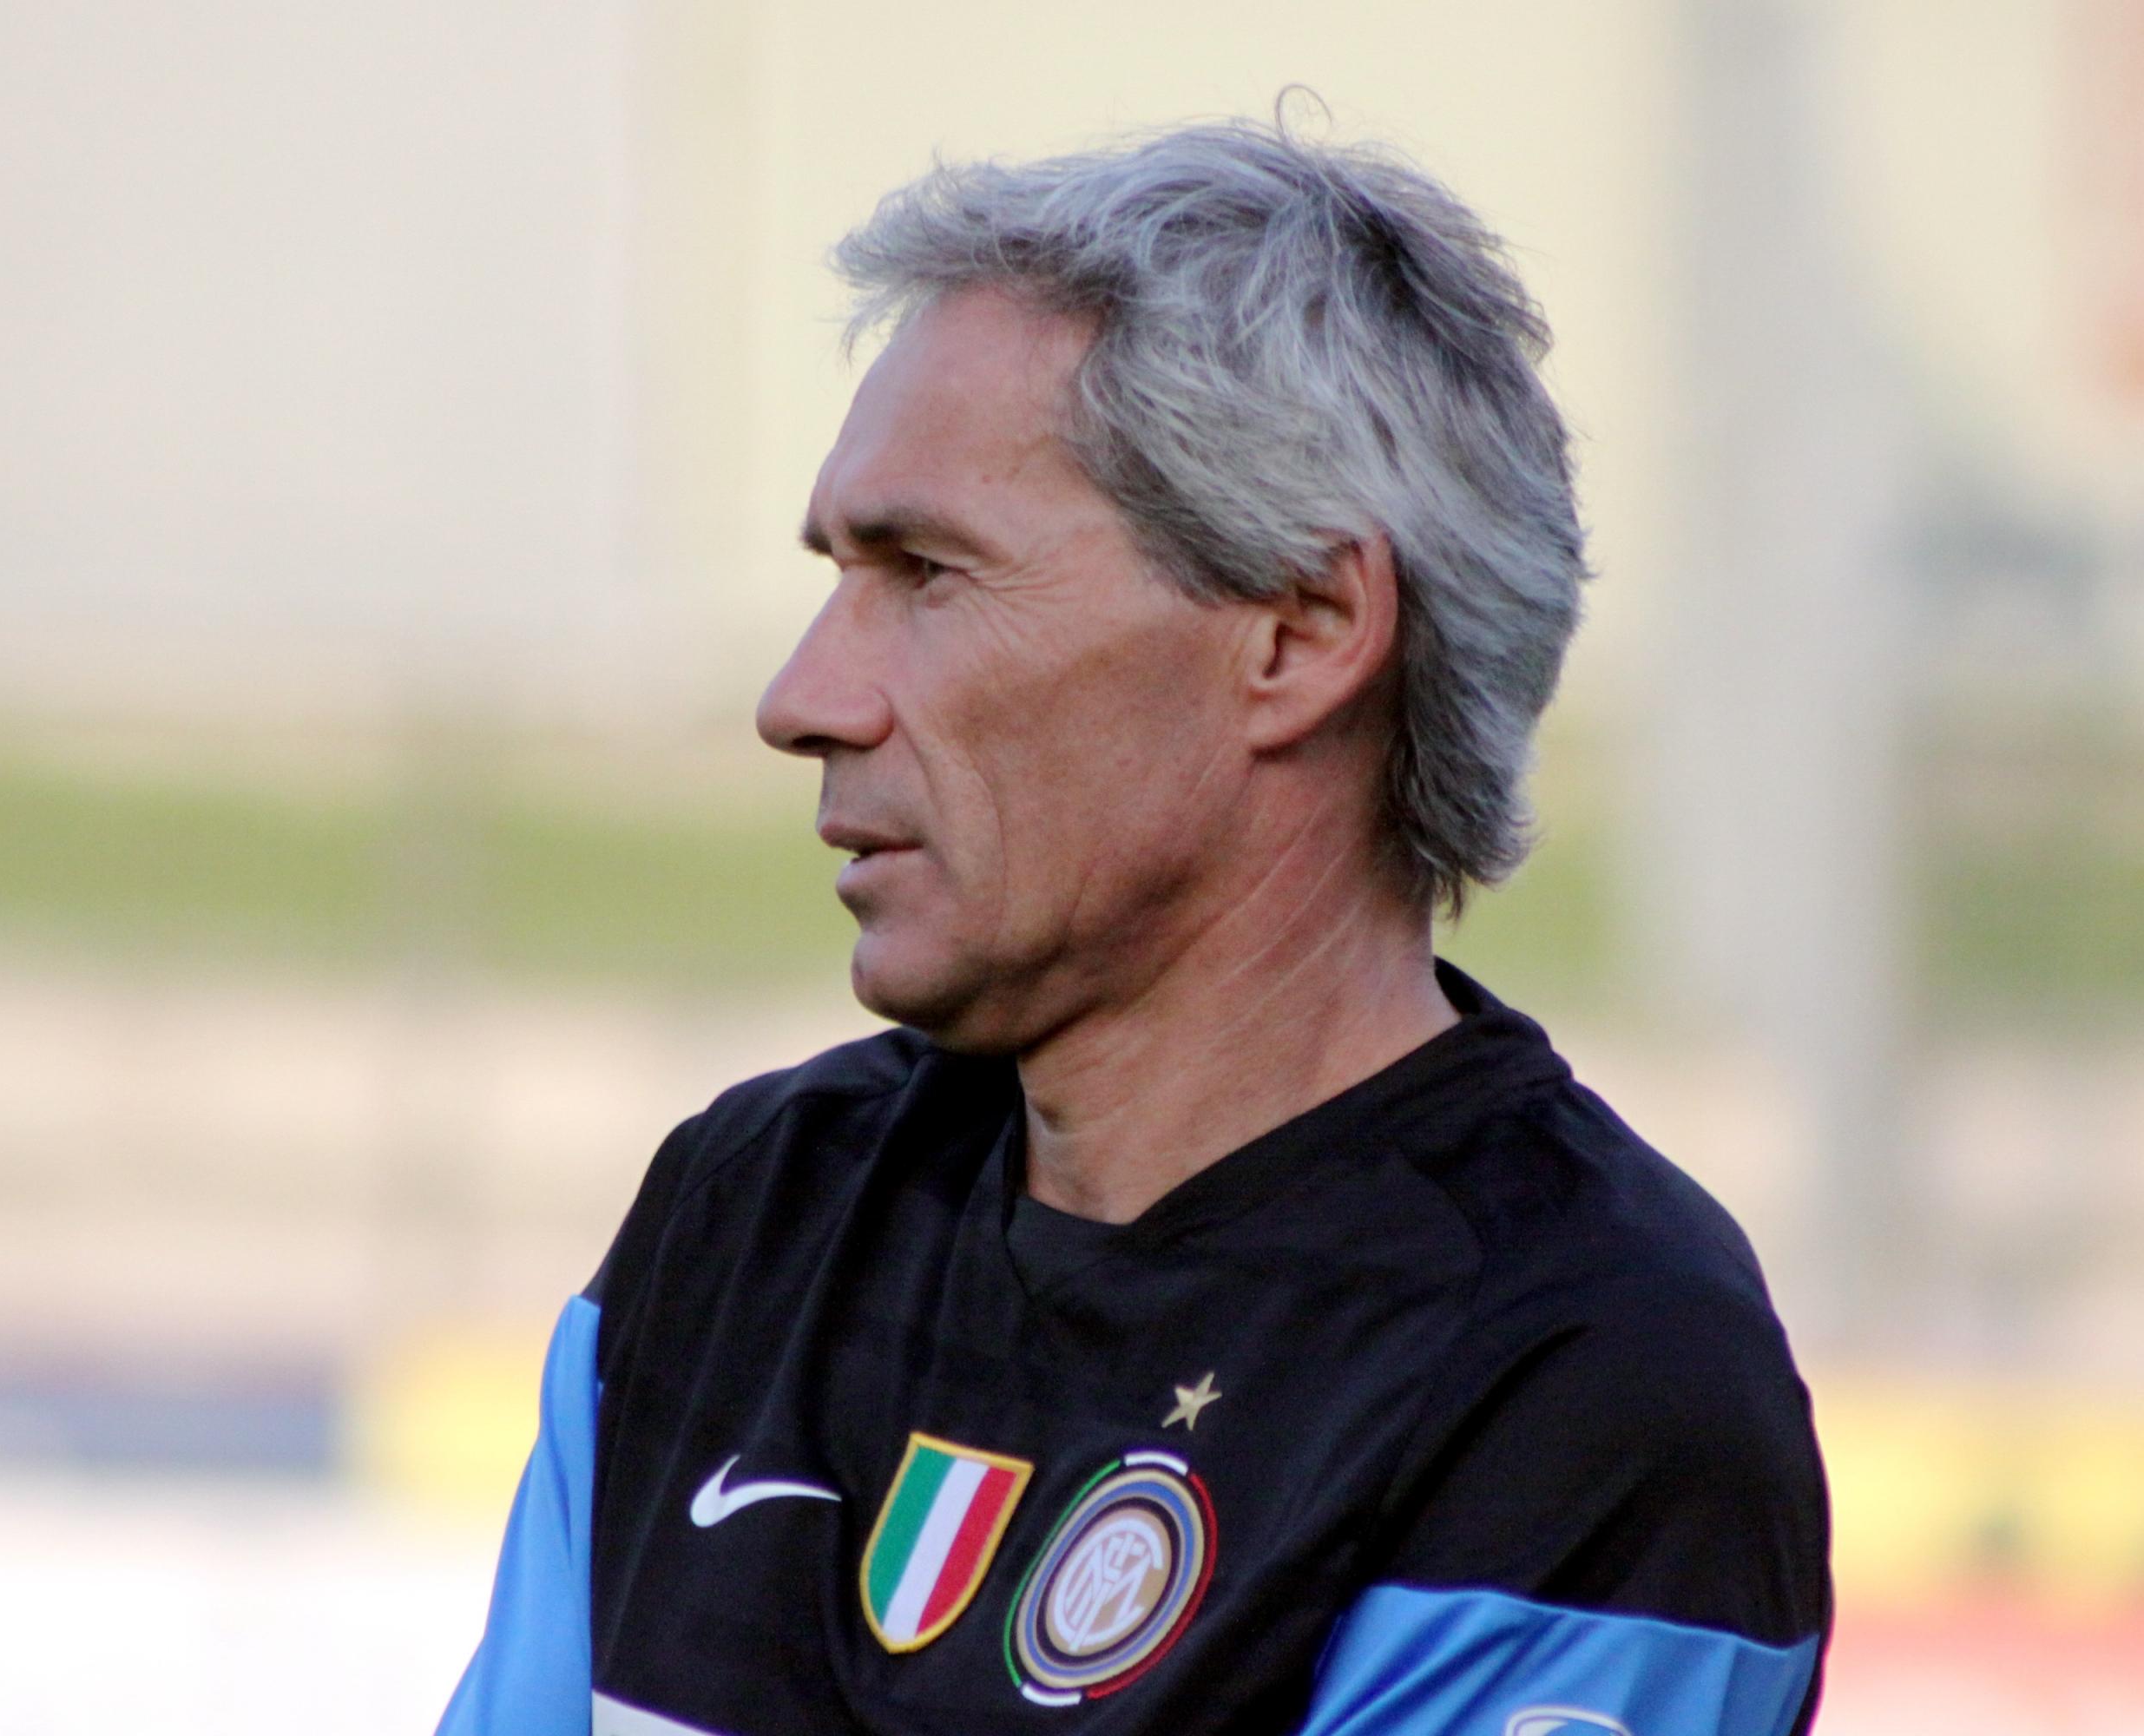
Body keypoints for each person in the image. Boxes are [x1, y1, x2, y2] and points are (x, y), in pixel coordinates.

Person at [439, 113, 1829, 1736]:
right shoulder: (747, 1216)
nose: (801, 697)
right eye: (835, 575)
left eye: (927, 573)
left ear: (1299, 633)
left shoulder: (1584, 1375)